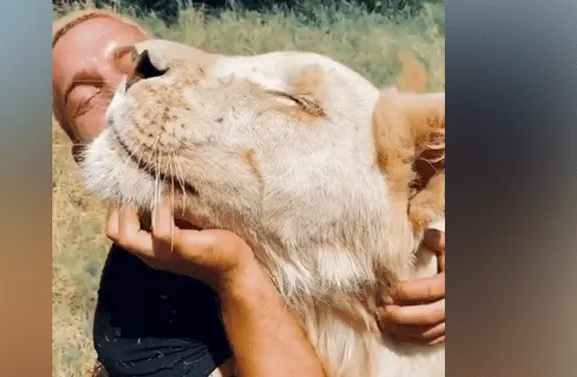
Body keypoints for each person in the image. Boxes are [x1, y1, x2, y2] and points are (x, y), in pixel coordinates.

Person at [52, 9, 446, 377]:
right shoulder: (133, 322)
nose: (123, 87)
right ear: (82, 153)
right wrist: (235, 274)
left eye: (136, 63)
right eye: (85, 98)